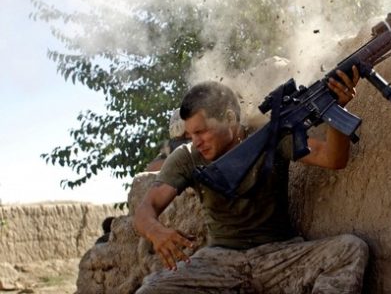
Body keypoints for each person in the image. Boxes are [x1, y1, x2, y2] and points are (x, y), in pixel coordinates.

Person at [133, 66, 368, 294]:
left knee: (349, 249)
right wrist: (156, 232)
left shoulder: (269, 136)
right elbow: (147, 208)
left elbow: (333, 158)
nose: (196, 141)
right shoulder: (187, 157)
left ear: (229, 118)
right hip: (219, 263)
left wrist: (335, 107)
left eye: (202, 131)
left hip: (280, 258)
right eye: (191, 134)